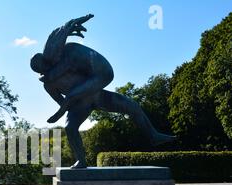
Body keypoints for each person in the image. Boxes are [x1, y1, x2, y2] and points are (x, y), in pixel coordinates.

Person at [31, 15, 176, 168]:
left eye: (44, 66)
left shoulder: (65, 58)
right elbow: (61, 100)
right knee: (70, 128)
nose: (45, 71)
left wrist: (67, 30)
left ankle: (153, 135)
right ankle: (81, 160)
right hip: (81, 104)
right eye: (41, 71)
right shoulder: (48, 84)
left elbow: (76, 69)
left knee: (132, 106)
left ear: (46, 61)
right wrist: (69, 109)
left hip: (96, 94)